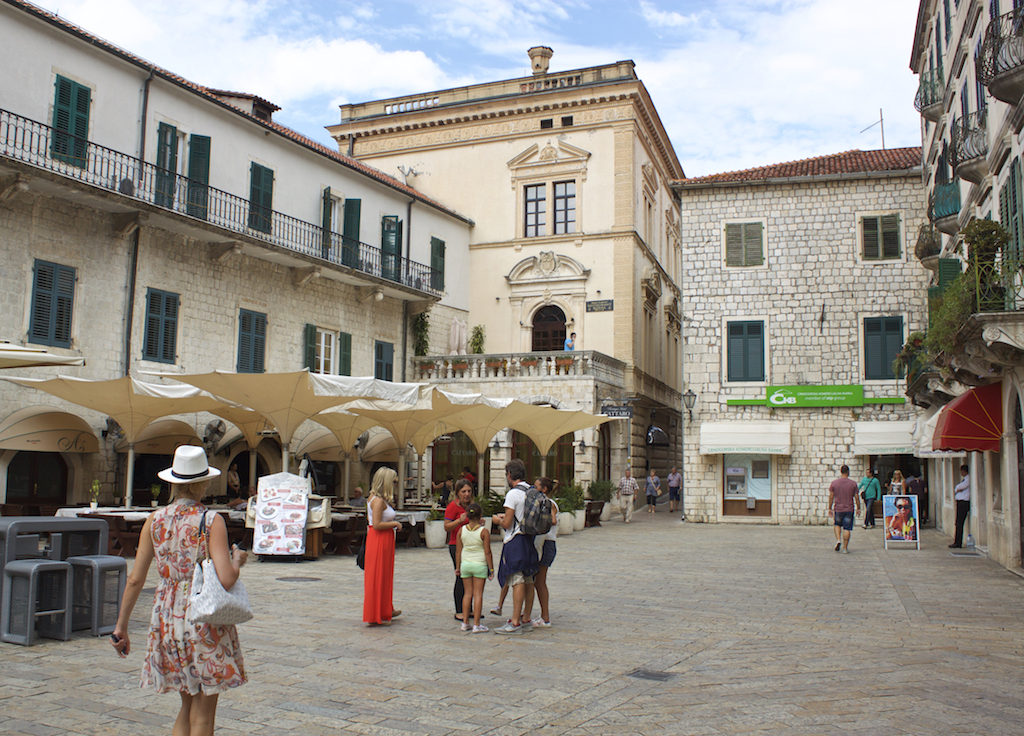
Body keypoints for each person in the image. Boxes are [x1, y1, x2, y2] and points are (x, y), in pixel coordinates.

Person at [110, 445, 247, 736]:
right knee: (204, 710)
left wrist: (121, 627)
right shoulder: (211, 521)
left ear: (173, 482)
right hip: (202, 619)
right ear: (203, 482)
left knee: (186, 705)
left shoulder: (154, 520)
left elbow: (135, 579)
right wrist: (237, 561)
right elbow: (225, 579)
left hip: (167, 619)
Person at [491, 458, 539, 634]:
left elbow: (507, 523)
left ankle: (515, 621)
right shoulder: (531, 490)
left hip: (515, 540)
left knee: (516, 579)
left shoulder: (513, 494)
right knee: (529, 579)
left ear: (510, 475)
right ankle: (526, 617)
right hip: (529, 539)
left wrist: (497, 519)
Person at [363, 467, 403, 625]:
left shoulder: (375, 498)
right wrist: (395, 523)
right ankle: (377, 611)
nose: (394, 485)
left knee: (384, 575)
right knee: (379, 575)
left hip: (382, 539)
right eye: (393, 482)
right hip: (380, 539)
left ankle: (386, 607)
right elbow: (378, 524)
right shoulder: (378, 501)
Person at [455, 502, 493, 633]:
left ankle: (465, 622)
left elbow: (458, 551)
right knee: (478, 594)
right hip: (479, 564)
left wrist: (458, 566)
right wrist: (491, 568)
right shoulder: (484, 532)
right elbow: (487, 552)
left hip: (465, 564)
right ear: (480, 516)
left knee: (467, 594)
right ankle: (477, 624)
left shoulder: (461, 530)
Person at [444, 479, 476, 622]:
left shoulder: (473, 507)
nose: (467, 494)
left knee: (472, 576)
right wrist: (459, 520)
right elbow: (446, 526)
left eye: (469, 491)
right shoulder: (452, 507)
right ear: (458, 493)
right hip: (457, 546)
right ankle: (459, 610)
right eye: (464, 491)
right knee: (461, 576)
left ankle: (469, 609)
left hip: (472, 545)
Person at [531, 477, 558, 628]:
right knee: (537, 581)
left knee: (540, 581)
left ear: (544, 489)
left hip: (546, 543)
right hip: (543, 543)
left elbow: (553, 520)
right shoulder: (543, 503)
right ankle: (539, 614)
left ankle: (545, 617)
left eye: (536, 486)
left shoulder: (549, 503)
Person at [827, 464, 861, 554]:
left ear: (841, 472)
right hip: (849, 508)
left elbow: (831, 496)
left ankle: (838, 539)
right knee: (847, 528)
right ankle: (845, 548)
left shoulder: (834, 483)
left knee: (837, 524)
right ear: (848, 472)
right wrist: (858, 508)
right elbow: (857, 497)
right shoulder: (853, 484)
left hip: (838, 508)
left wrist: (829, 508)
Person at [950, 464, 971, 548]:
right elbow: (957, 488)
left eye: (962, 471)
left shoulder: (968, 479)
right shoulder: (965, 479)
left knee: (959, 522)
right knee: (958, 523)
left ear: (964, 471)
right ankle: (957, 541)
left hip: (964, 503)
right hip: (960, 502)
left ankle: (958, 542)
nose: (961, 473)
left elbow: (960, 487)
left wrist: (957, 489)